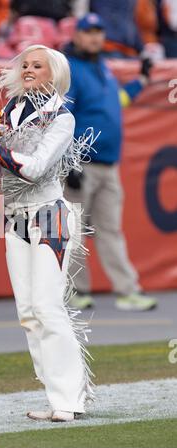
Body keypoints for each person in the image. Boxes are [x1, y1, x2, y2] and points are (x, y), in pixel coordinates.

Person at [0, 44, 94, 422]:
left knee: (48, 307)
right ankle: (54, 396)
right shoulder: (9, 114)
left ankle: (69, 400)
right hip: (15, 219)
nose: (28, 69)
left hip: (50, 217)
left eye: (37, 65)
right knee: (28, 313)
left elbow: (36, 168)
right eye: (24, 64)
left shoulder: (60, 117)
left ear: (54, 73)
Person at [64, 13, 158, 311]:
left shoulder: (102, 67)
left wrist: (141, 80)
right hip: (81, 163)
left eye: (98, 32)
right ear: (77, 36)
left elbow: (116, 100)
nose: (94, 38)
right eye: (88, 32)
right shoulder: (70, 70)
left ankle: (128, 290)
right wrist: (68, 161)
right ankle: (75, 291)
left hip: (108, 165)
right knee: (75, 231)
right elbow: (61, 117)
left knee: (110, 230)